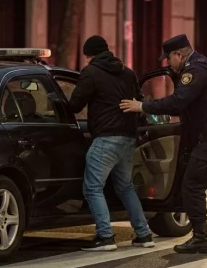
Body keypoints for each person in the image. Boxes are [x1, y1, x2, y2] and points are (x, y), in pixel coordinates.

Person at [120, 34, 207, 254]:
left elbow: (178, 102)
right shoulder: (204, 66)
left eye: (168, 59)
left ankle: (201, 239)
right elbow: (185, 107)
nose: (168, 64)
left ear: (179, 54)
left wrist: (142, 107)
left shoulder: (195, 70)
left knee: (192, 184)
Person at [66, 35, 154, 251]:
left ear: (89, 54)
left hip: (105, 138)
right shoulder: (128, 72)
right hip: (127, 136)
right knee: (125, 187)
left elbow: (75, 105)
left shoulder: (91, 72)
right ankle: (144, 234)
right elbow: (138, 100)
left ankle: (105, 236)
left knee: (92, 188)